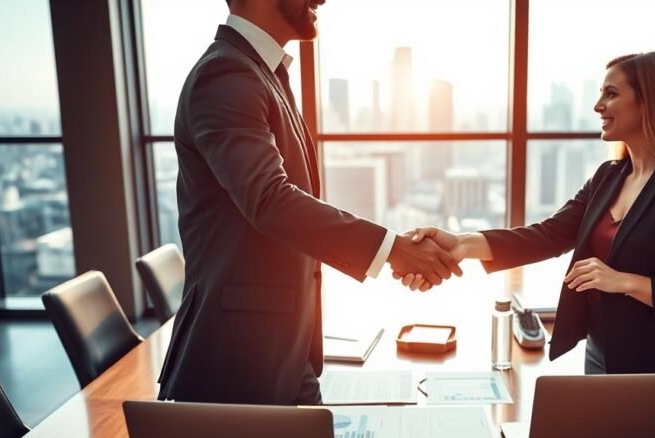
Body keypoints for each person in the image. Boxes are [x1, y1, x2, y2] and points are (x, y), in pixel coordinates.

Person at [157, 0, 460, 406]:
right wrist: (393, 249)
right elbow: (270, 199)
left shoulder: (261, 73)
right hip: (236, 365)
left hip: (279, 346)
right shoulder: (225, 75)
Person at [401, 52, 655, 374]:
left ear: (649, 104)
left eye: (611, 94)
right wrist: (460, 245)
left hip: (654, 364)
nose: (598, 106)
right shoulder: (609, 176)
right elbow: (548, 235)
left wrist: (622, 281)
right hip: (600, 352)